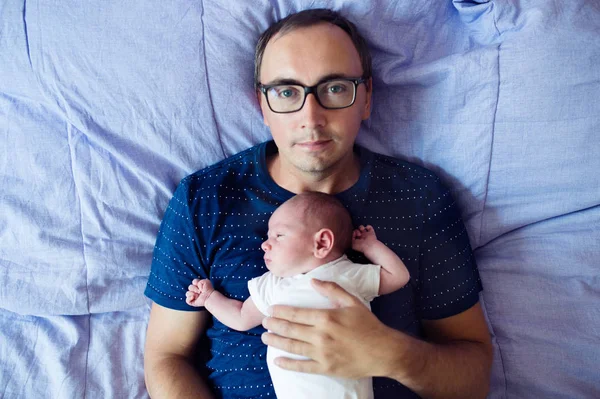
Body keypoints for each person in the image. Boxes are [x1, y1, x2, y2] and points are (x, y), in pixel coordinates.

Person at [143, 8, 493, 399]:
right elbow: (166, 357)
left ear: (366, 99)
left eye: (335, 88)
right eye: (287, 92)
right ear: (262, 104)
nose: (312, 117)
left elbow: (474, 377)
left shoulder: (419, 197)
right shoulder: (203, 200)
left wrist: (394, 355)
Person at [185, 192, 410, 399]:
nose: (265, 244)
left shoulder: (348, 275)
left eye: (279, 235)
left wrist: (371, 246)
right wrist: (209, 298)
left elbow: (398, 276)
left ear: (321, 243)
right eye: (267, 236)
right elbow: (241, 317)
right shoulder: (273, 284)